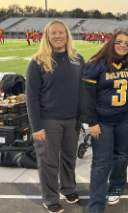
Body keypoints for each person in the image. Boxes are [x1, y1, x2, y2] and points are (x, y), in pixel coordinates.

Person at [26, 20, 85, 213]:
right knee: (49, 161)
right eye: (53, 33)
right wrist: (36, 127)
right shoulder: (37, 62)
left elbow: (83, 90)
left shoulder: (78, 59)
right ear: (47, 36)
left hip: (72, 120)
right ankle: (50, 198)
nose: (58, 36)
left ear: (67, 35)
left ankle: (68, 189)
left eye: (61, 32)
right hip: (48, 120)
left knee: (69, 158)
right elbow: (31, 96)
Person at [81, 30, 128, 212]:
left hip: (126, 117)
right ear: (111, 43)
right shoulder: (96, 65)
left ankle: (117, 185)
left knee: (122, 155)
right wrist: (91, 122)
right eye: (119, 42)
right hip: (102, 120)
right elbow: (86, 97)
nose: (123, 46)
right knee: (101, 162)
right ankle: (96, 204)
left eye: (127, 43)